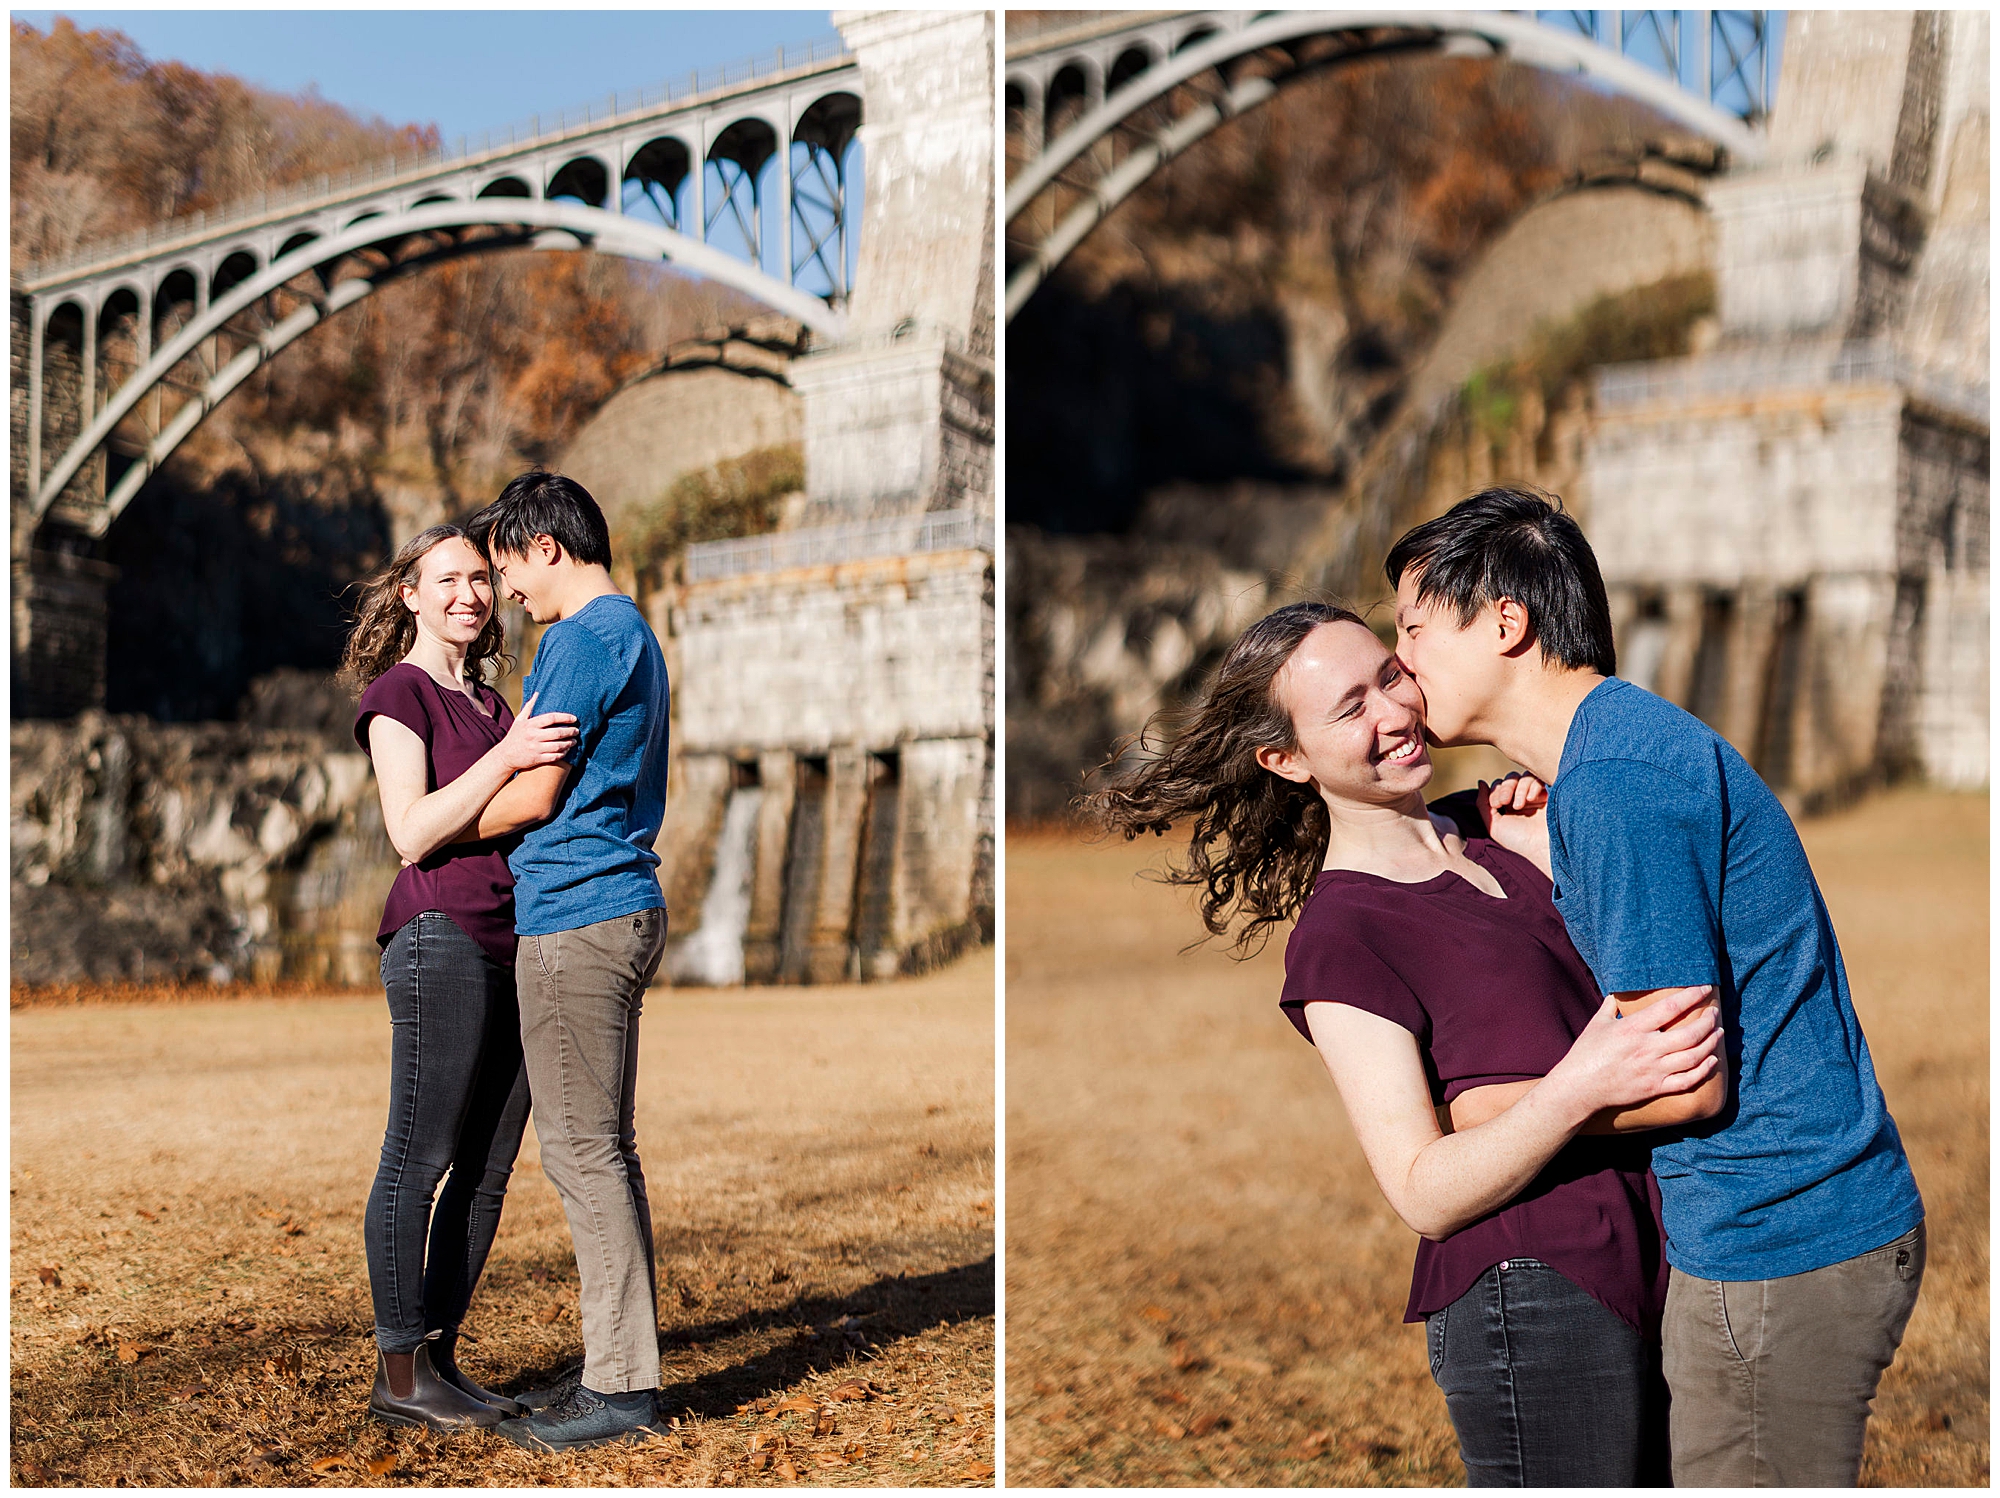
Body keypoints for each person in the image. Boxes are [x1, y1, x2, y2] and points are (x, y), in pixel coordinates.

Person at [1086, 600, 1723, 1486]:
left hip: (1662, 1257)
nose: (1392, 712)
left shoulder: (1501, 824)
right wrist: (1580, 1084)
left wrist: (1552, 849)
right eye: (1349, 708)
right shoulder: (1344, 931)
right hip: (1533, 1297)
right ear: (1286, 759)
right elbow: (1422, 1190)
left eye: (1390, 676)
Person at [1388, 486, 1926, 1487]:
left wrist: (1503, 1121)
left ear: (1504, 621)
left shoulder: (1615, 785)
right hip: (1793, 1228)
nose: (1400, 661)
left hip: (1777, 1242)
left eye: (1413, 628)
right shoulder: (1616, 755)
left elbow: (1684, 1080)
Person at [343, 524, 580, 1431]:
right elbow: (410, 829)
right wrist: (511, 755)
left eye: (482, 580)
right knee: (422, 1155)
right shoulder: (398, 694)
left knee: (484, 1171)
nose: (470, 595)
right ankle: (399, 1375)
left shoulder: (489, 703)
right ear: (409, 593)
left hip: (514, 942)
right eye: (448, 580)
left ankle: (437, 1361)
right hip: (439, 936)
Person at [460, 471, 673, 1453]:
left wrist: (429, 827)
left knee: (582, 1151)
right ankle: (612, 1370)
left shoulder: (578, 639)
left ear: (546, 546)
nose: (505, 588)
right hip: (616, 903)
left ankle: (620, 1389)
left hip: (576, 913)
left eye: (506, 564)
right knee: (603, 1148)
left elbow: (535, 792)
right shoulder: (631, 631)